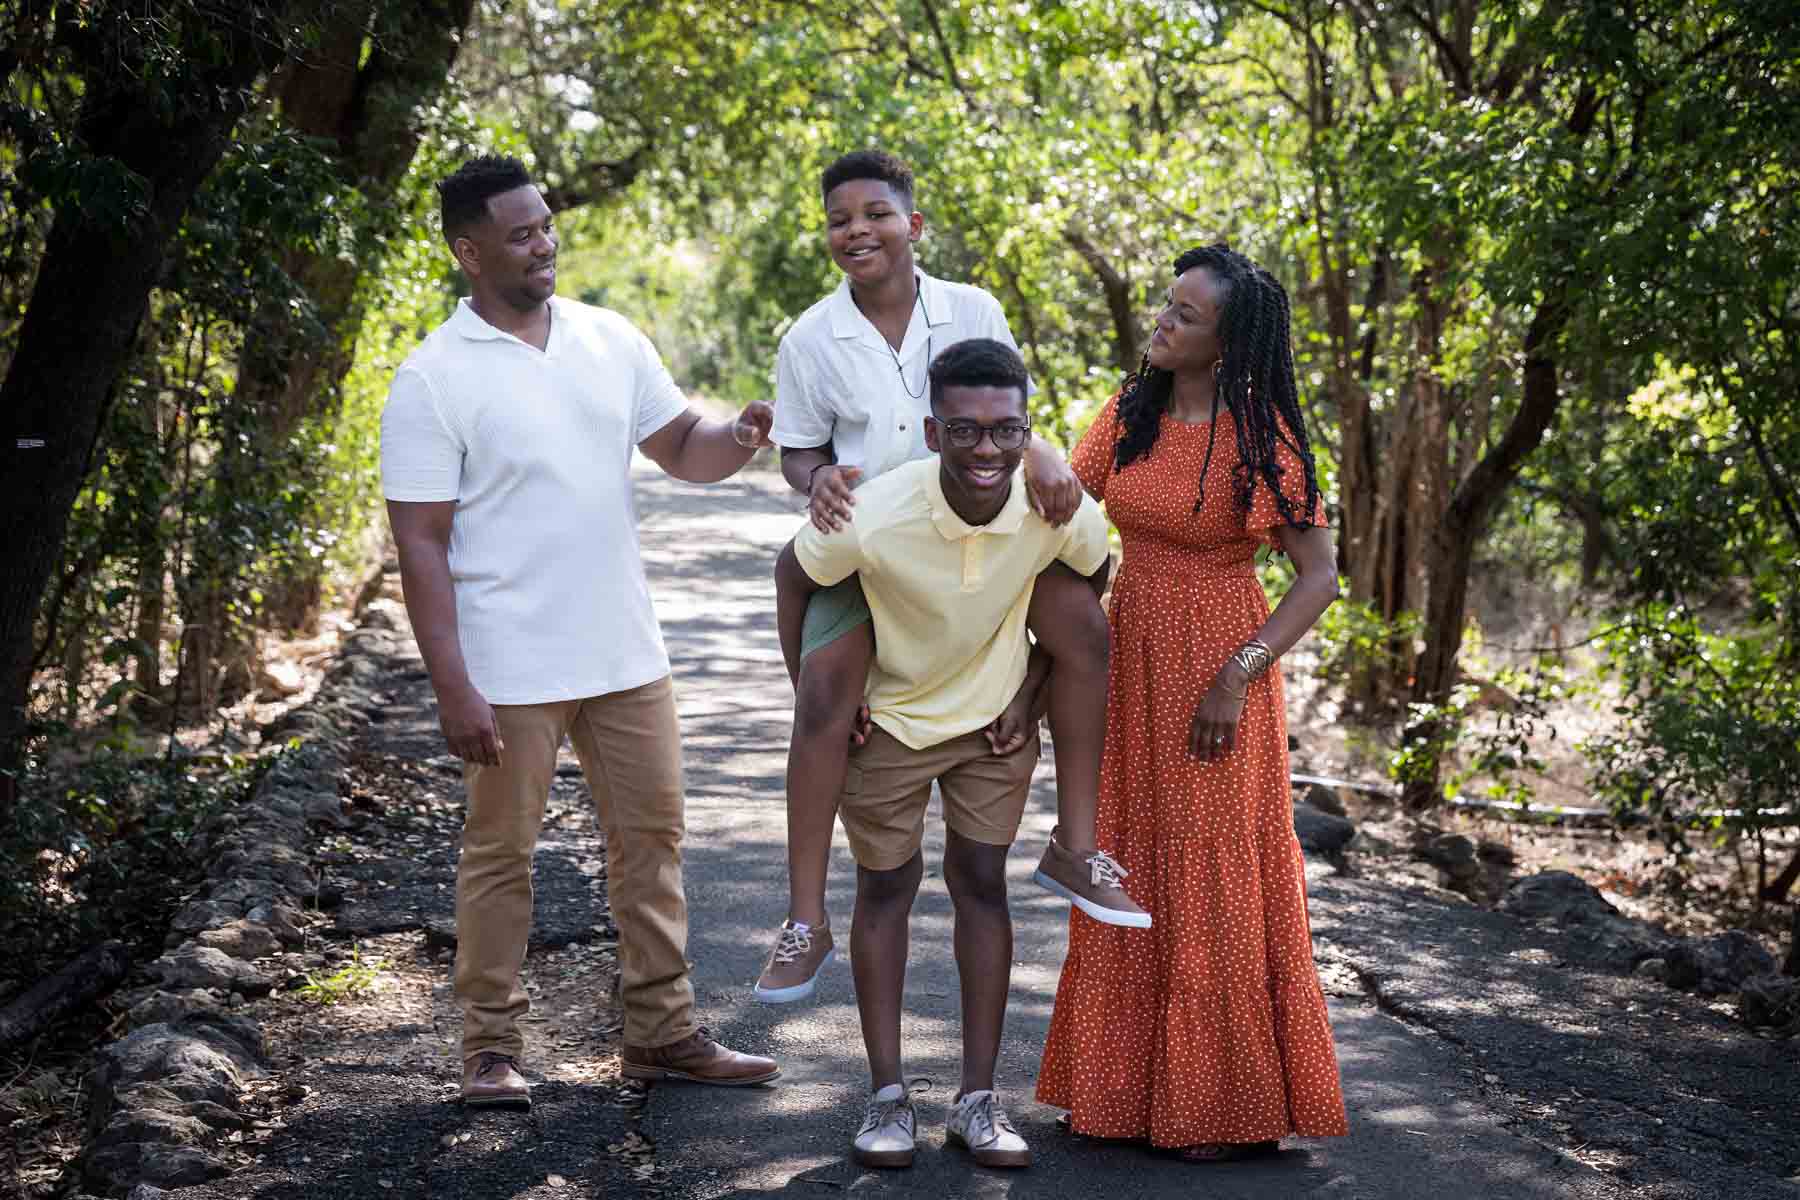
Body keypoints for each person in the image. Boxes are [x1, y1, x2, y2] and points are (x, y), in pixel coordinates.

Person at [380, 155, 780, 1109]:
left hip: (624, 653)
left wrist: (741, 436)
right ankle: (489, 1048)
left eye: (546, 224)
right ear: (468, 253)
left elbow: (680, 446)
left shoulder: (608, 337)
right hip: (507, 666)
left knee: (652, 843)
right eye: (521, 233)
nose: (544, 242)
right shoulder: (432, 379)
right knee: (499, 856)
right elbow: (422, 547)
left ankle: (663, 1032)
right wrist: (452, 685)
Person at [755, 150, 1146, 1006]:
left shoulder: (972, 308)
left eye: (875, 214)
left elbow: (1005, 406)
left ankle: (1076, 846)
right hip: (874, 540)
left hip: (987, 520)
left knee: (1083, 624)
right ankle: (804, 919)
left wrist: (1041, 457)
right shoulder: (811, 338)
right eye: (838, 220)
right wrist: (814, 477)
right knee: (824, 692)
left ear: (913, 225)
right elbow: (800, 447)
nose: (856, 229)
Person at [1037, 244, 1349, 1159]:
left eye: (1185, 316)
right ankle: (1116, 1096)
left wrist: (1237, 673)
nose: (1162, 324)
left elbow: (1319, 577)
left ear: (1227, 344)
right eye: (1165, 306)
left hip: (1221, 669)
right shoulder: (1128, 417)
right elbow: (1057, 509)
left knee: (1209, 868)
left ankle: (1217, 1104)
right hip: (1125, 657)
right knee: (1129, 854)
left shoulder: (1265, 443)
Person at [774, 339, 1112, 1170]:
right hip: (888, 717)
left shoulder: (1054, 502)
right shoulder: (876, 511)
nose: (987, 450)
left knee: (981, 887)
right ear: (932, 434)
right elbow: (792, 574)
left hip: (990, 722)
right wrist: (810, 690)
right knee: (887, 887)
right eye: (964, 432)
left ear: (1028, 430)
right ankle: (887, 1097)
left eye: (1006, 431)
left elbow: (1089, 583)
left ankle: (977, 1100)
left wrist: (1030, 691)